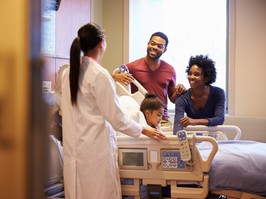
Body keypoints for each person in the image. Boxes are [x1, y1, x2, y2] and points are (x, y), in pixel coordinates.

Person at [61, 22, 167, 199]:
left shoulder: (67, 73)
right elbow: (117, 118)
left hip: (73, 150)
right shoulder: (99, 74)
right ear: (101, 43)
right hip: (94, 150)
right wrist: (142, 129)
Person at [112, 32, 186, 125]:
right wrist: (115, 77)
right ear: (148, 44)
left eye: (159, 46)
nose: (155, 47)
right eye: (153, 43)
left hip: (162, 119)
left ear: (164, 50)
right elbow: (110, 78)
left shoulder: (170, 70)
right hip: (141, 118)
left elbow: (173, 99)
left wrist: (179, 92)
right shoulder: (134, 67)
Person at [173, 54, 226, 134]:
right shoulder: (182, 98)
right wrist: (178, 141)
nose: (191, 77)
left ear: (206, 78)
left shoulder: (218, 93)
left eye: (196, 74)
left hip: (213, 136)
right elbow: (178, 124)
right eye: (190, 73)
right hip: (194, 137)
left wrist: (194, 121)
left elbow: (220, 119)